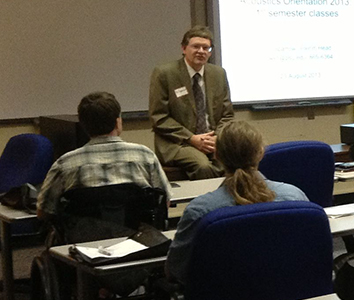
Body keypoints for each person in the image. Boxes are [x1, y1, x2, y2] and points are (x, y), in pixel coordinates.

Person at [166, 121, 309, 284]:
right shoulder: (295, 198)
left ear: (216, 155)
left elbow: (175, 271)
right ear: (261, 153)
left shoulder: (201, 210)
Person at [37, 92, 170, 219]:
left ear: (83, 125)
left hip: (83, 240)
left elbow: (43, 212)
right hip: (138, 240)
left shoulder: (65, 164)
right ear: (118, 122)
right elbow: (164, 202)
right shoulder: (145, 156)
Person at [149, 25, 235, 180]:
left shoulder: (218, 74)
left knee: (237, 160)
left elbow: (227, 116)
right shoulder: (165, 73)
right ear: (184, 48)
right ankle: (210, 204)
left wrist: (217, 138)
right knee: (203, 166)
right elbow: (159, 117)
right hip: (178, 143)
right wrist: (191, 138)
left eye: (206, 48)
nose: (201, 51)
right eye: (196, 46)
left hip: (213, 140)